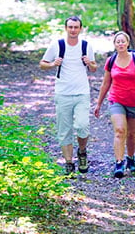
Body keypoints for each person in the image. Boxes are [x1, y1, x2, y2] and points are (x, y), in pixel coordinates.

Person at [39, 16, 97, 175]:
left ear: (80, 29)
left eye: (76, 27)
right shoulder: (57, 45)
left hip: (82, 92)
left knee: (82, 126)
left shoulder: (86, 46)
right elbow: (42, 63)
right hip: (63, 93)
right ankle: (69, 163)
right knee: (64, 130)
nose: (73, 30)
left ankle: (82, 151)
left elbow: (94, 68)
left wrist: (89, 62)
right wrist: (52, 64)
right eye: (70, 27)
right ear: (66, 28)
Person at [94, 31, 135, 178]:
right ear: (115, 44)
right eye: (118, 42)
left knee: (131, 133)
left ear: (128, 43)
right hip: (116, 100)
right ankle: (119, 163)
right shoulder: (111, 61)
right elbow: (106, 83)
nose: (121, 44)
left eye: (123, 41)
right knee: (120, 130)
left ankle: (130, 158)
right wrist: (98, 103)